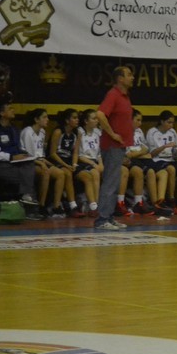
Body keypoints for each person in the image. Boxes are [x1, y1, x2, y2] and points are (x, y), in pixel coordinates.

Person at [95, 66, 135, 231]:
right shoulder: (113, 94)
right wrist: (112, 134)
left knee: (115, 181)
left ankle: (109, 217)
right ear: (120, 78)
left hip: (119, 146)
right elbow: (100, 114)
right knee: (110, 182)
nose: (132, 77)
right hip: (112, 146)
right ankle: (102, 219)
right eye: (129, 75)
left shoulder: (124, 96)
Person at [48, 108, 92, 218]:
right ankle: (72, 206)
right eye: (74, 118)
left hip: (70, 161)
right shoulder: (58, 132)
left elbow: (76, 152)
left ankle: (93, 206)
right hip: (57, 160)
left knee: (87, 175)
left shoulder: (77, 133)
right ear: (67, 120)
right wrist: (66, 165)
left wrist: (74, 164)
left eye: (77, 118)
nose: (77, 120)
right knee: (67, 173)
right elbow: (52, 153)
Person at [20, 108, 64, 218]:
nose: (47, 119)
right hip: (27, 162)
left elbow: (41, 154)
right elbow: (29, 155)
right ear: (36, 119)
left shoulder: (43, 132)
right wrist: (42, 163)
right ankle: (41, 205)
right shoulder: (27, 132)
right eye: (44, 117)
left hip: (39, 160)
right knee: (45, 172)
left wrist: (47, 162)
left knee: (60, 173)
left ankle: (56, 206)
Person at [147, 110, 177, 215]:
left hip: (171, 159)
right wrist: (164, 146)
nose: (171, 125)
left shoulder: (172, 132)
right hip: (158, 160)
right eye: (169, 122)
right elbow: (151, 154)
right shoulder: (152, 132)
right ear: (162, 121)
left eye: (172, 123)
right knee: (171, 169)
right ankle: (171, 199)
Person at [0, 101, 40, 214]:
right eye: (10, 108)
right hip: (3, 163)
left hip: (16, 162)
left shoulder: (14, 129)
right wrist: (11, 157)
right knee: (28, 176)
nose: (13, 110)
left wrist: (23, 154)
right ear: (2, 113)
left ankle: (28, 201)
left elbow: (19, 147)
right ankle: (30, 207)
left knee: (30, 166)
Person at [77, 109, 109, 224]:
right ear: (86, 121)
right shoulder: (80, 132)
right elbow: (79, 155)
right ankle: (94, 206)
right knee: (95, 173)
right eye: (94, 118)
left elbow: (99, 153)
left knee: (105, 171)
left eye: (97, 118)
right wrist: (94, 164)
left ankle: (101, 204)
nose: (96, 121)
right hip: (83, 161)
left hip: (95, 161)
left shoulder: (97, 132)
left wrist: (100, 164)